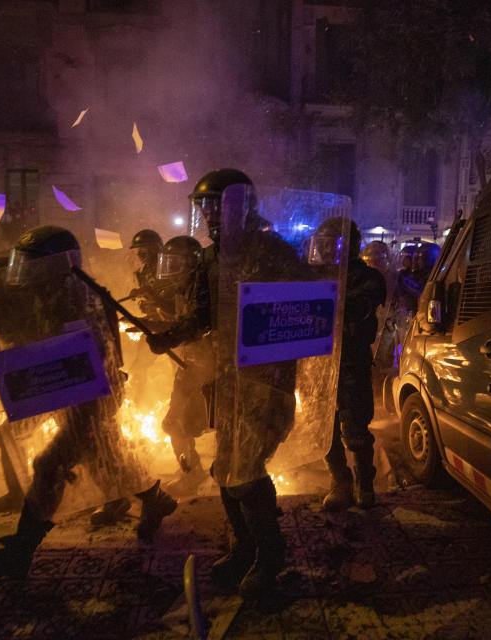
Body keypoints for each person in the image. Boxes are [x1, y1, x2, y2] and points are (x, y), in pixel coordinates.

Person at [0, 226, 177, 579]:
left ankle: (19, 551)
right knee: (111, 463)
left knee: (49, 466)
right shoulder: (50, 293)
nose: (26, 276)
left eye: (34, 268)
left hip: (91, 399)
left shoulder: (79, 298)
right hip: (72, 393)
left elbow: (78, 353)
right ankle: (157, 499)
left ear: (56, 266)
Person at [146, 169, 300, 599]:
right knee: (225, 469)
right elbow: (201, 315)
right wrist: (170, 336)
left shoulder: (274, 253)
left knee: (247, 474)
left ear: (241, 206)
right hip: (228, 382)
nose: (209, 213)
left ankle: (270, 561)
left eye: (217, 204)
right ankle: (245, 548)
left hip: (266, 382)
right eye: (204, 206)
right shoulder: (211, 259)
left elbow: (300, 313)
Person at [313, 219, 387, 510]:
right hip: (318, 363)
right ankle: (340, 482)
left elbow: (360, 303)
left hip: (351, 362)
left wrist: (328, 299)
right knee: (323, 430)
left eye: (331, 242)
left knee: (355, 429)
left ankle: (363, 484)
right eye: (322, 242)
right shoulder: (315, 276)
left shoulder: (368, 277)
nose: (325, 248)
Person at [155, 236, 212, 494]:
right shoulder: (182, 290)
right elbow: (180, 323)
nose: (171, 271)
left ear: (191, 264)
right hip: (190, 366)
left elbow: (197, 323)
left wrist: (168, 337)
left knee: (197, 423)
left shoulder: (205, 289)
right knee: (172, 423)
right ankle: (192, 472)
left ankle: (227, 477)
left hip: (211, 370)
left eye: (176, 264)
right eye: (169, 264)